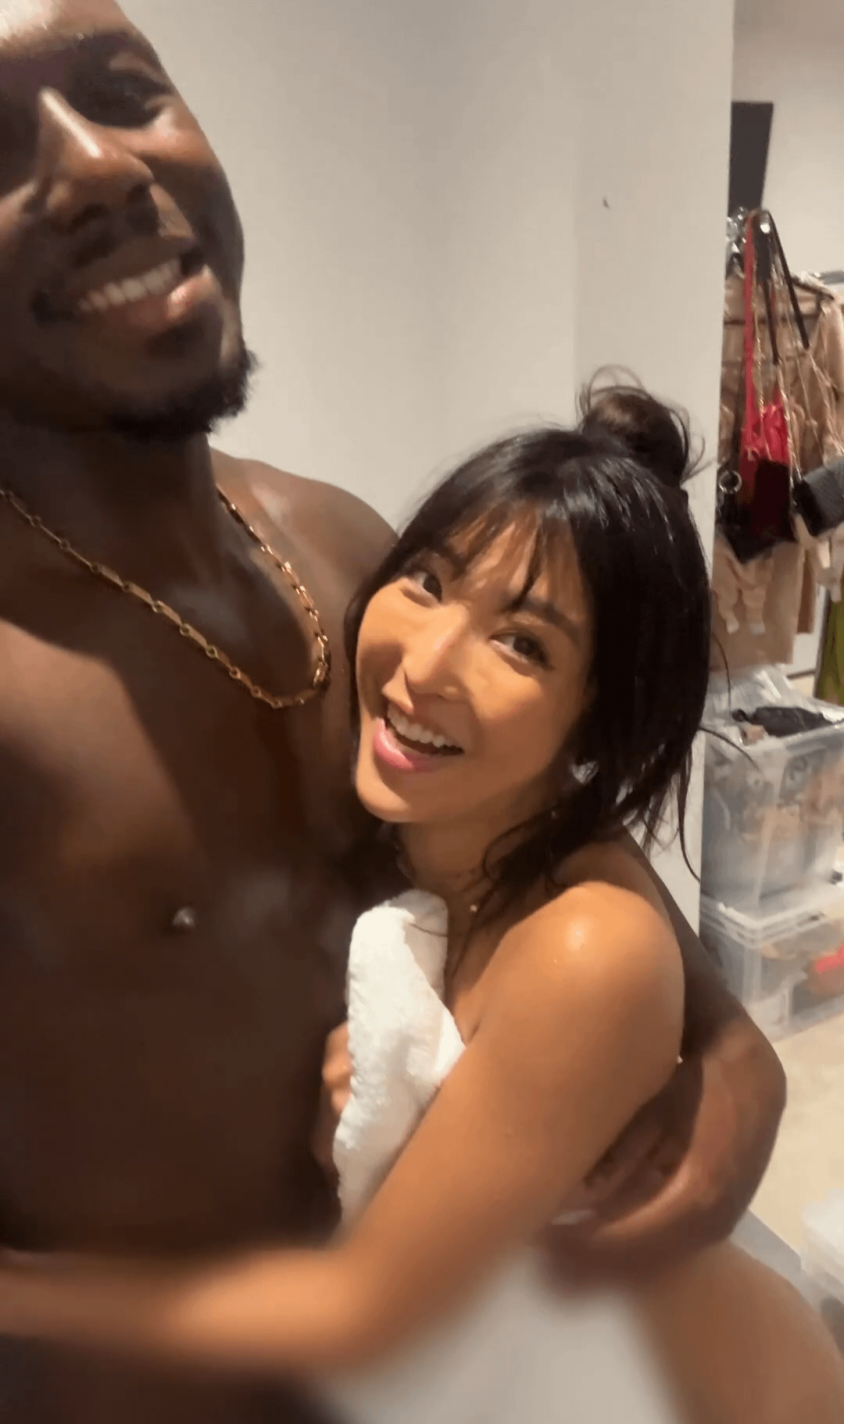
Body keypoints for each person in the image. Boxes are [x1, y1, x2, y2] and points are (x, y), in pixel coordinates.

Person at [0, 2, 788, 1422]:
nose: (98, 167)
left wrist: (732, 1055)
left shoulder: (346, 548)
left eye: (120, 90)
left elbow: (548, 843)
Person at [0, 387, 841, 1424]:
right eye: (429, 582)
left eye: (523, 645)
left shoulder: (588, 942)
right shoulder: (429, 835)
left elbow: (361, 1315)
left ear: (599, 718)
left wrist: (21, 1294)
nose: (425, 665)